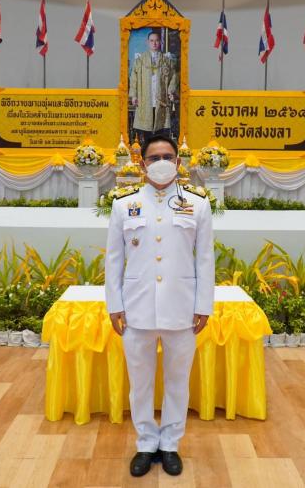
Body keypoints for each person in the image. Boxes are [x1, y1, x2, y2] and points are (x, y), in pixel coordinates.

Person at [105, 135, 214, 477]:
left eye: (168, 156)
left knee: (178, 381)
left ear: (179, 162)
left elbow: (205, 259)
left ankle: (169, 444)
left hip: (182, 309)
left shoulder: (197, 204)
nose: (162, 162)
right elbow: (113, 259)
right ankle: (145, 443)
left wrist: (204, 305)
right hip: (137, 309)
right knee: (140, 383)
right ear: (142, 163)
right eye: (155, 157)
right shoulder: (124, 205)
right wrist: (115, 305)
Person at [129, 30, 179, 144]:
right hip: (145, 98)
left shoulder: (166, 60)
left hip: (161, 99)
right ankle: (147, 149)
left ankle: (158, 150)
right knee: (146, 129)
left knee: (160, 129)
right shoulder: (140, 60)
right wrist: (134, 95)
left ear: (160, 42)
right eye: (152, 41)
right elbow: (134, 79)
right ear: (147, 42)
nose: (154, 43)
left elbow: (174, 77)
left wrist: (170, 91)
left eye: (156, 41)